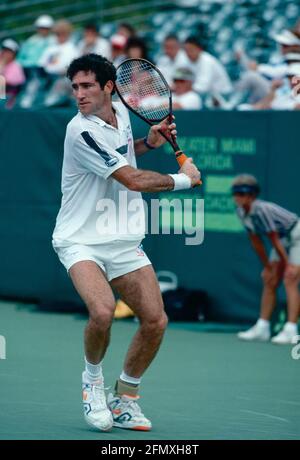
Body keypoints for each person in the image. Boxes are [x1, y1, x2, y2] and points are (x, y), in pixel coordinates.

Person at [52, 53, 201, 432]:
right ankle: (93, 384)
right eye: (75, 88)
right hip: (80, 241)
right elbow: (131, 179)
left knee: (155, 320)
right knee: (102, 312)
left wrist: (148, 143)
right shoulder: (79, 129)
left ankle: (126, 398)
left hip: (122, 240)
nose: (80, 94)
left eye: (87, 86)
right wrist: (184, 178)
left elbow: (124, 154)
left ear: (108, 87)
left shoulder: (119, 112)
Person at [232, 174, 300, 344]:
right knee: (269, 279)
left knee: (290, 278)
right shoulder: (241, 212)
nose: (237, 197)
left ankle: (291, 329)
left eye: (242, 193)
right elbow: (256, 242)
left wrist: (287, 265)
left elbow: (273, 239)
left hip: (297, 235)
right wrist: (268, 267)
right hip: (283, 240)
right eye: (236, 193)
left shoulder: (262, 210)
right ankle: (262, 327)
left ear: (252, 195)